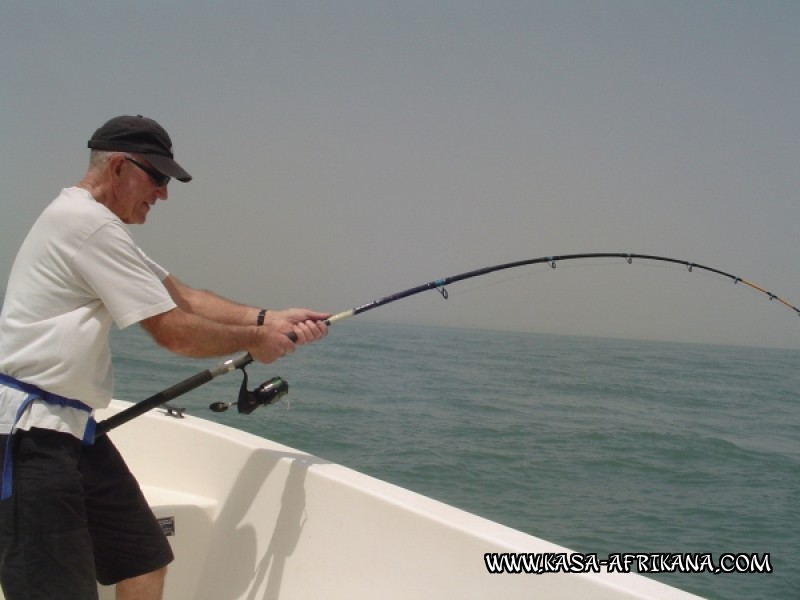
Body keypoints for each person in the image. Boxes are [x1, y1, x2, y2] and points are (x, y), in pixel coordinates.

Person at [0, 115, 329, 600]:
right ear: (118, 167)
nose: (164, 193)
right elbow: (172, 330)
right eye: (156, 177)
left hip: (73, 432)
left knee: (143, 560)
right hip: (30, 438)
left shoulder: (96, 225)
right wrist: (254, 345)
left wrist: (268, 319)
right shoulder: (86, 226)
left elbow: (185, 298)